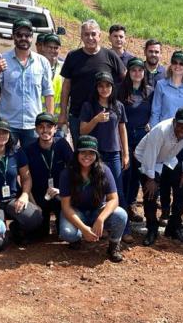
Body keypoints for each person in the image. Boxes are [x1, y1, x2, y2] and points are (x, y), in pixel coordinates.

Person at [150, 51, 183, 226]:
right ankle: (164, 210)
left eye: (182, 63)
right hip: (164, 137)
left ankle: (175, 214)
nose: (178, 66)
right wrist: (153, 135)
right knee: (163, 177)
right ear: (171, 64)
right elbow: (156, 110)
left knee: (179, 176)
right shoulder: (161, 85)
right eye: (175, 62)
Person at [134, 108, 183, 246]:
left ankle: (173, 226)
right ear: (174, 122)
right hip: (146, 159)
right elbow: (150, 154)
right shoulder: (161, 130)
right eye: (181, 125)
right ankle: (152, 228)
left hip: (167, 158)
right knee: (150, 192)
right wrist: (150, 179)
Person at [0, 19, 54, 148]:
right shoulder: (2, 59)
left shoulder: (42, 62)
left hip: (33, 125)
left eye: (27, 35)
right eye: (19, 35)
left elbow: (48, 93)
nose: (24, 38)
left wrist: (48, 121)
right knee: (8, 162)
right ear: (13, 36)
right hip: (8, 124)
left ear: (32, 37)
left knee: (32, 162)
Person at [58, 135, 128, 262]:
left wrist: (100, 219)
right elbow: (66, 207)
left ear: (96, 155)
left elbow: (114, 199)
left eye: (91, 153)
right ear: (77, 154)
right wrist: (84, 229)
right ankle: (77, 238)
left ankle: (113, 245)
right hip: (76, 212)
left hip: (97, 211)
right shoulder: (67, 173)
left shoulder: (104, 170)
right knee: (67, 233)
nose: (87, 156)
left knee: (121, 215)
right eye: (83, 152)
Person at [59, 19, 125, 144]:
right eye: (86, 34)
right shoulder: (73, 56)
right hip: (77, 114)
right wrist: (63, 112)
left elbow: (125, 79)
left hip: (103, 116)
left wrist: (117, 104)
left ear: (100, 36)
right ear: (81, 36)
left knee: (103, 153)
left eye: (93, 34)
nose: (90, 37)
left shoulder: (109, 55)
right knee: (81, 154)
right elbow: (66, 86)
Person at [0, 117, 43, 245]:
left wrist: (25, 195)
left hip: (13, 199)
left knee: (35, 218)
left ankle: (16, 228)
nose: (1, 135)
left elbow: (26, 177)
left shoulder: (16, 152)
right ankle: (1, 232)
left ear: (9, 134)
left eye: (4, 132)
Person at [79, 72, 129, 232]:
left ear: (112, 87)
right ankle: (95, 225)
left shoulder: (118, 106)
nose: (104, 89)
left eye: (108, 85)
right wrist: (96, 119)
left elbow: (122, 129)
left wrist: (125, 153)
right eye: (101, 85)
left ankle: (123, 229)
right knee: (96, 190)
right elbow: (82, 130)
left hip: (114, 153)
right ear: (96, 88)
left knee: (117, 191)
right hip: (95, 155)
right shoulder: (89, 106)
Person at [23, 113, 74, 237]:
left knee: (63, 234)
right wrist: (34, 204)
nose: (45, 130)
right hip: (38, 196)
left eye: (49, 126)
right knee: (40, 235)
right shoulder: (29, 149)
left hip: (59, 194)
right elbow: (24, 178)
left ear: (55, 128)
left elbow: (74, 171)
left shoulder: (62, 145)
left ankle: (60, 221)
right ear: (36, 129)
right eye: (41, 127)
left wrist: (62, 191)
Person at [117, 57, 154, 224]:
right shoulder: (120, 91)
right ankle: (121, 206)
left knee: (138, 173)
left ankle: (131, 204)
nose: (137, 73)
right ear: (128, 72)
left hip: (142, 137)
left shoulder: (150, 92)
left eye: (140, 70)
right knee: (125, 171)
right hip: (124, 136)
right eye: (133, 70)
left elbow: (155, 112)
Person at [36, 33, 65, 130]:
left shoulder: (64, 69)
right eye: (49, 47)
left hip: (57, 121)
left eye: (56, 48)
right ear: (43, 47)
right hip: (36, 119)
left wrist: (64, 116)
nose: (53, 50)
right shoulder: (34, 66)